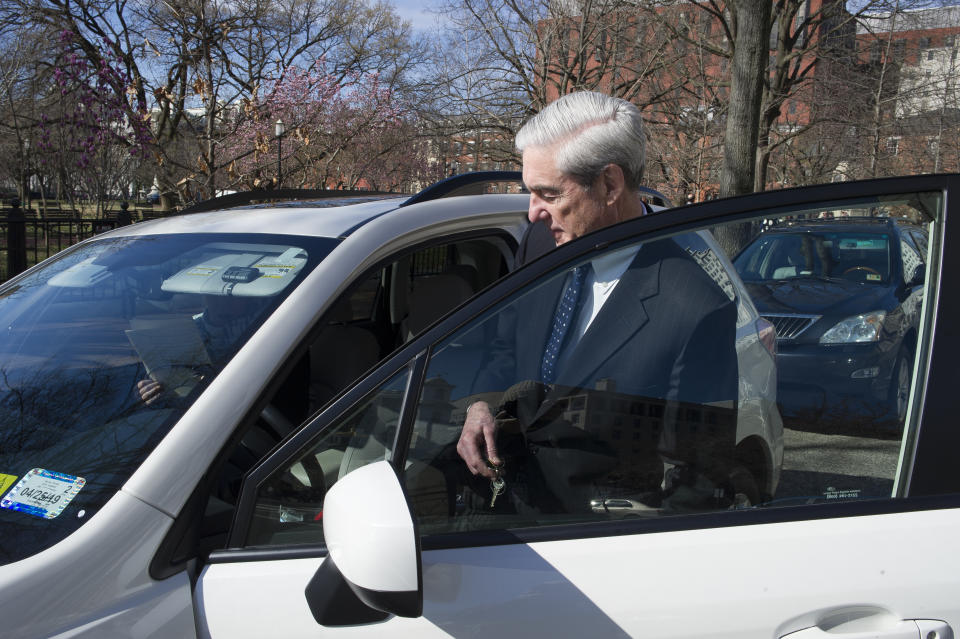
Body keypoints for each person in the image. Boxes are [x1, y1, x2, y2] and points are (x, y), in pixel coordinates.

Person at [454, 91, 739, 514]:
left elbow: (694, 480)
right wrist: (481, 404)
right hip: (509, 516)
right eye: (530, 193)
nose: (532, 213)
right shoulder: (538, 242)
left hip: (597, 542)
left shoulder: (694, 307)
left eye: (549, 195)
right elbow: (506, 344)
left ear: (609, 184)